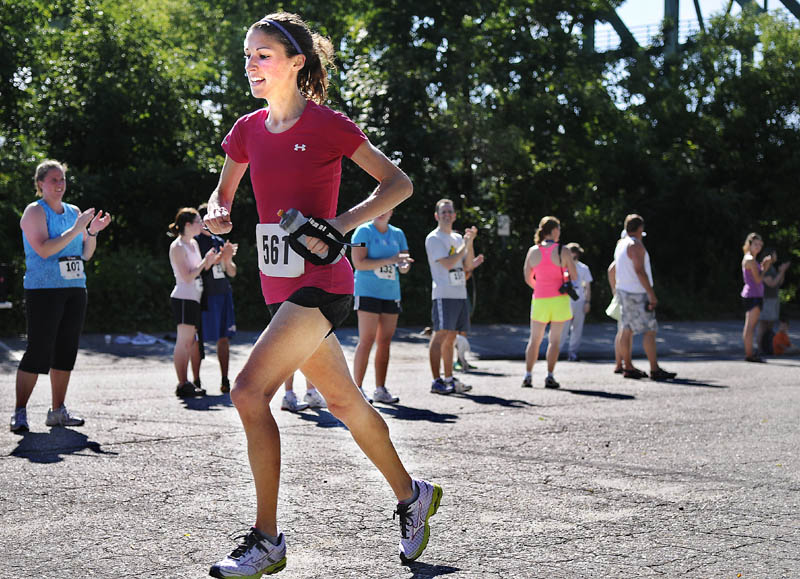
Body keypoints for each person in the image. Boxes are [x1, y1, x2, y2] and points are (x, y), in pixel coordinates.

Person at [202, 13, 441, 577]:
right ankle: (413, 495)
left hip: (322, 283)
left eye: (263, 55)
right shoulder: (246, 130)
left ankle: (266, 540)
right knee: (344, 402)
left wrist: (341, 223)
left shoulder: (328, 124)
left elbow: (398, 184)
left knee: (247, 391)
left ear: (295, 63)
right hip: (276, 287)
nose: (251, 65)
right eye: (247, 55)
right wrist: (217, 211)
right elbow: (223, 192)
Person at [11, 159, 111, 433]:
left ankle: (58, 411)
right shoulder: (34, 212)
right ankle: (20, 412)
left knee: (66, 349)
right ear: (40, 183)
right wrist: (78, 229)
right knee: (38, 349)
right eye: (53, 180)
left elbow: (86, 254)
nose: (59, 184)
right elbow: (44, 249)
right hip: (43, 289)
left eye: (63, 179)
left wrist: (91, 232)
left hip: (75, 288)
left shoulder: (74, 212)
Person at [351, 209, 411, 404]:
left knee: (385, 341)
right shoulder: (363, 231)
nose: (382, 212)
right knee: (366, 340)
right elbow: (358, 263)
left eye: (387, 208)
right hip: (367, 291)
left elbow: (404, 266)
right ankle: (357, 389)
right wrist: (391, 260)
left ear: (393, 210)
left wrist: (403, 265)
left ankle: (380, 389)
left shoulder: (398, 233)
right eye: (378, 208)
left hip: (391, 293)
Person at [424, 199, 477, 395]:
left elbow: (467, 265)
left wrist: (469, 244)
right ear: (437, 216)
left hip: (459, 293)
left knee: (452, 336)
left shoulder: (457, 238)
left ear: (454, 216)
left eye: (450, 211)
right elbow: (447, 264)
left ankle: (449, 378)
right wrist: (465, 246)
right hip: (443, 294)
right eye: (443, 212)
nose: (447, 215)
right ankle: (436, 381)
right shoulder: (434, 238)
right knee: (440, 334)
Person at [614, 214, 676, 380]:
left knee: (626, 329)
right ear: (640, 229)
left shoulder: (621, 245)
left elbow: (612, 269)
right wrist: (651, 293)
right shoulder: (635, 245)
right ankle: (654, 368)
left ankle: (628, 366)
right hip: (637, 293)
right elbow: (640, 271)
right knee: (650, 330)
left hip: (624, 291)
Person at [168, 207, 220, 398]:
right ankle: (182, 383)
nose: (202, 224)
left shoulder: (193, 244)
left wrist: (211, 261)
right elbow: (187, 276)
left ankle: (187, 382)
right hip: (184, 297)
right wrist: (203, 263)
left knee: (191, 342)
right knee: (183, 342)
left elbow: (200, 270)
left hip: (195, 297)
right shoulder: (178, 246)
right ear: (188, 225)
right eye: (198, 221)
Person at [522, 216, 578, 389]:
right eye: (558, 229)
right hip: (559, 300)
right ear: (553, 231)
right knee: (554, 341)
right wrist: (564, 278)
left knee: (534, 339)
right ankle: (550, 376)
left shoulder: (533, 251)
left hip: (540, 300)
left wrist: (539, 287)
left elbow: (527, 277)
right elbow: (574, 276)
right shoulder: (564, 250)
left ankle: (528, 375)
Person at [194, 203, 239, 394]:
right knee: (197, 340)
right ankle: (195, 381)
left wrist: (227, 259)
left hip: (222, 294)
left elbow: (232, 272)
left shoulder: (219, 241)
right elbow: (196, 269)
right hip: (203, 295)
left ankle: (225, 379)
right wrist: (219, 259)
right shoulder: (194, 242)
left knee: (224, 339)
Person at [740, 232, 773, 363]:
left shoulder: (751, 259)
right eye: (755, 244)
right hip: (753, 295)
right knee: (750, 326)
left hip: (754, 295)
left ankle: (750, 353)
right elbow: (758, 279)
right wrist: (766, 268)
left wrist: (763, 266)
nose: (758, 247)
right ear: (749, 244)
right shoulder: (750, 260)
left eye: (760, 244)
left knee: (750, 326)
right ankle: (749, 354)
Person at [559, 242, 593, 361]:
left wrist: (588, 302)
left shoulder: (583, 268)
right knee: (563, 327)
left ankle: (572, 353)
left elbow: (587, 286)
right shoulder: (562, 266)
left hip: (579, 300)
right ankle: (556, 351)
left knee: (577, 328)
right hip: (565, 300)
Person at [757, 248, 790, 355]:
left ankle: (766, 346)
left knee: (769, 324)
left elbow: (779, 282)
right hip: (766, 299)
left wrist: (782, 272)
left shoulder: (772, 268)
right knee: (763, 324)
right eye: (775, 254)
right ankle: (759, 348)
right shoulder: (765, 268)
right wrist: (782, 271)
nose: (776, 256)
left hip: (773, 299)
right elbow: (771, 283)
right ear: (770, 255)